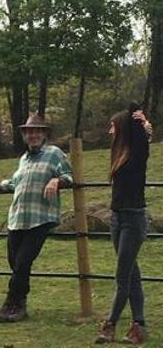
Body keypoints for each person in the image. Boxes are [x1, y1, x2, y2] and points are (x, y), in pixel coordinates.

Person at [0, 113, 73, 323]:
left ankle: (11, 303)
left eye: (36, 131)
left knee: (22, 262)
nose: (32, 135)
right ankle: (19, 304)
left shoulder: (54, 153)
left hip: (40, 217)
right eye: (29, 131)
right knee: (15, 262)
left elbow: (70, 175)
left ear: (44, 134)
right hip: (18, 217)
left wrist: (56, 181)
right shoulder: (24, 159)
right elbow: (16, 183)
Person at [95, 105, 152, 345]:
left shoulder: (137, 154)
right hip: (117, 219)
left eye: (113, 127)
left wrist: (143, 124)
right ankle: (139, 326)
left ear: (123, 130)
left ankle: (109, 325)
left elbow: (138, 121)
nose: (109, 131)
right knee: (131, 274)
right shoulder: (118, 154)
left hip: (133, 219)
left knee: (122, 277)